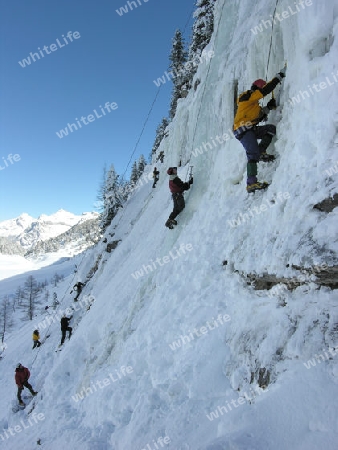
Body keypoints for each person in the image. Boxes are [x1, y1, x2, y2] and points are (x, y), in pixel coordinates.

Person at [233, 66, 287, 193]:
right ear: (256, 89)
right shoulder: (246, 96)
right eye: (260, 90)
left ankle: (262, 151)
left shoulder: (254, 106)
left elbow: (259, 117)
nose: (260, 95)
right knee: (252, 154)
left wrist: (268, 107)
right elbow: (265, 91)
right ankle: (251, 184)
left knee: (270, 129)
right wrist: (277, 78)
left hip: (250, 129)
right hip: (242, 129)